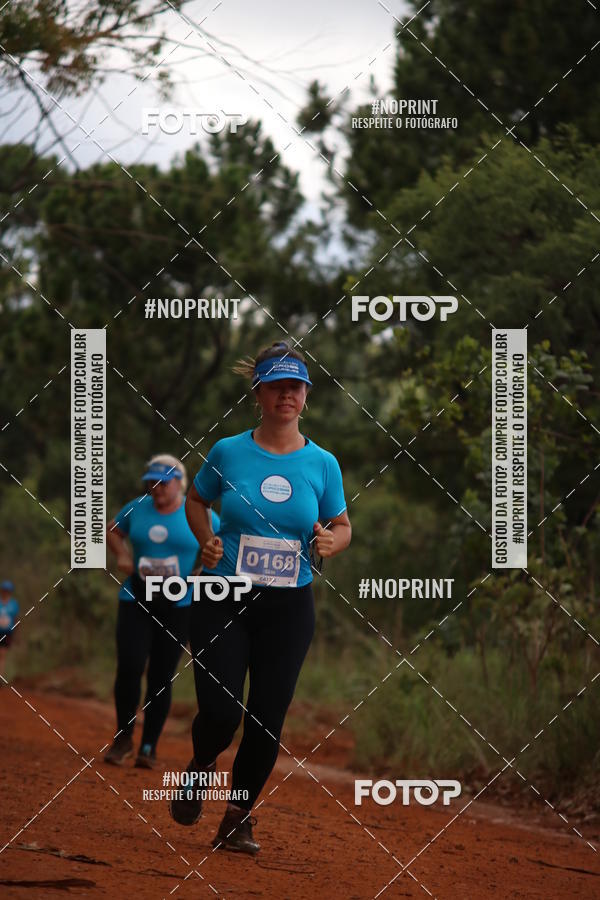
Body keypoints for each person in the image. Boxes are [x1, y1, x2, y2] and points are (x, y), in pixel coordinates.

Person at [170, 340, 351, 854]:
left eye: (295, 387)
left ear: (306, 396)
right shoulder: (228, 451)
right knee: (223, 712)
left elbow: (341, 525)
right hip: (223, 594)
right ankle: (200, 766)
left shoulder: (323, 463)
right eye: (276, 386)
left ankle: (237, 819)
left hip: (289, 607)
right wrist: (205, 538)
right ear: (259, 393)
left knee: (266, 718)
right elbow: (197, 498)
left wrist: (331, 542)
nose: (286, 395)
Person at [104, 454, 219, 768]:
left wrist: (201, 574)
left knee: (161, 676)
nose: (156, 488)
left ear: (179, 482)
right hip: (136, 597)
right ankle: (123, 737)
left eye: (163, 482)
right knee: (129, 665)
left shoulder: (197, 511)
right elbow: (112, 530)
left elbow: (223, 543)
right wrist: (123, 555)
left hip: (178, 603)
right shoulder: (136, 507)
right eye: (151, 482)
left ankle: (149, 747)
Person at [0, 580, 19, 679]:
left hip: (7, 633)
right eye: (4, 590)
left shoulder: (13, 604)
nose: (5, 592)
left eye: (7, 591)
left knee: (2, 654)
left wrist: (15, 634)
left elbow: (15, 619)